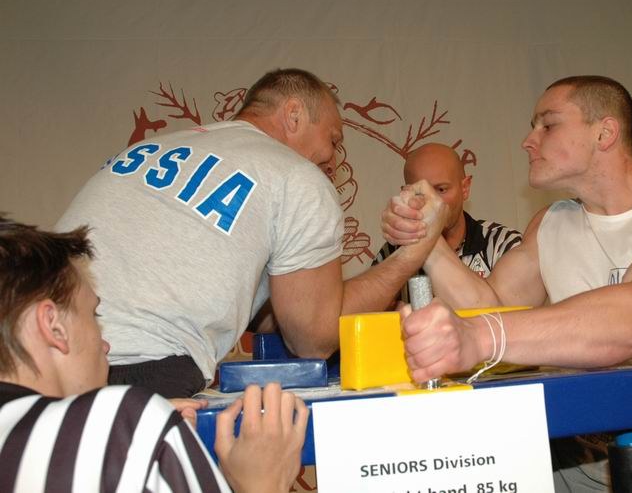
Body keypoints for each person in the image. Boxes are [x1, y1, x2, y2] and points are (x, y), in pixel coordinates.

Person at [381, 76, 632, 491]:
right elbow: (492, 305)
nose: (527, 140)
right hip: (555, 448)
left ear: (604, 132)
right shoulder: (552, 223)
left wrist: (476, 337)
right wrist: (428, 241)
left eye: (547, 125)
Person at [55, 67, 419, 398]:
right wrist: (413, 253)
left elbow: (264, 308)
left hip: (33, 354)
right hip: (136, 365)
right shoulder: (295, 175)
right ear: (293, 115)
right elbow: (313, 338)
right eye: (334, 139)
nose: (334, 160)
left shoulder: (147, 148)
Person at [0, 216, 308, 493]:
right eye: (93, 315)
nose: (105, 345)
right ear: (54, 327)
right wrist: (264, 482)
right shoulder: (123, 422)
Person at [371, 143, 522, 306]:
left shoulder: (503, 244)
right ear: (406, 194)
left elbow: (508, 320)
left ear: (465, 188)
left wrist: (429, 234)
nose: (433, 202)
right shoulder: (392, 253)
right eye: (419, 193)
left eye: (441, 190)